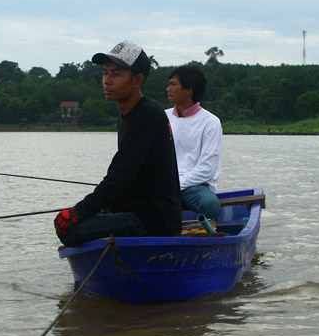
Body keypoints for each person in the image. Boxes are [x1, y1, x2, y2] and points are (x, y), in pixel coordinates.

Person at [54, 40, 182, 247]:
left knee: (71, 231)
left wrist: (79, 211)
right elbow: (125, 178)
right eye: (105, 73)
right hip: (134, 210)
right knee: (77, 220)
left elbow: (120, 175)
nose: (107, 80)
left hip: (153, 220)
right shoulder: (127, 114)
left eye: (116, 74)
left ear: (137, 80)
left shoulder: (148, 114)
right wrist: (97, 209)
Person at [165, 64, 222, 221]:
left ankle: (204, 237)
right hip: (163, 183)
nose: (168, 89)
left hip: (195, 186)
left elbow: (206, 170)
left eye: (173, 84)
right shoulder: (162, 117)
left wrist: (174, 184)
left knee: (210, 205)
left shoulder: (210, 122)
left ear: (188, 90)